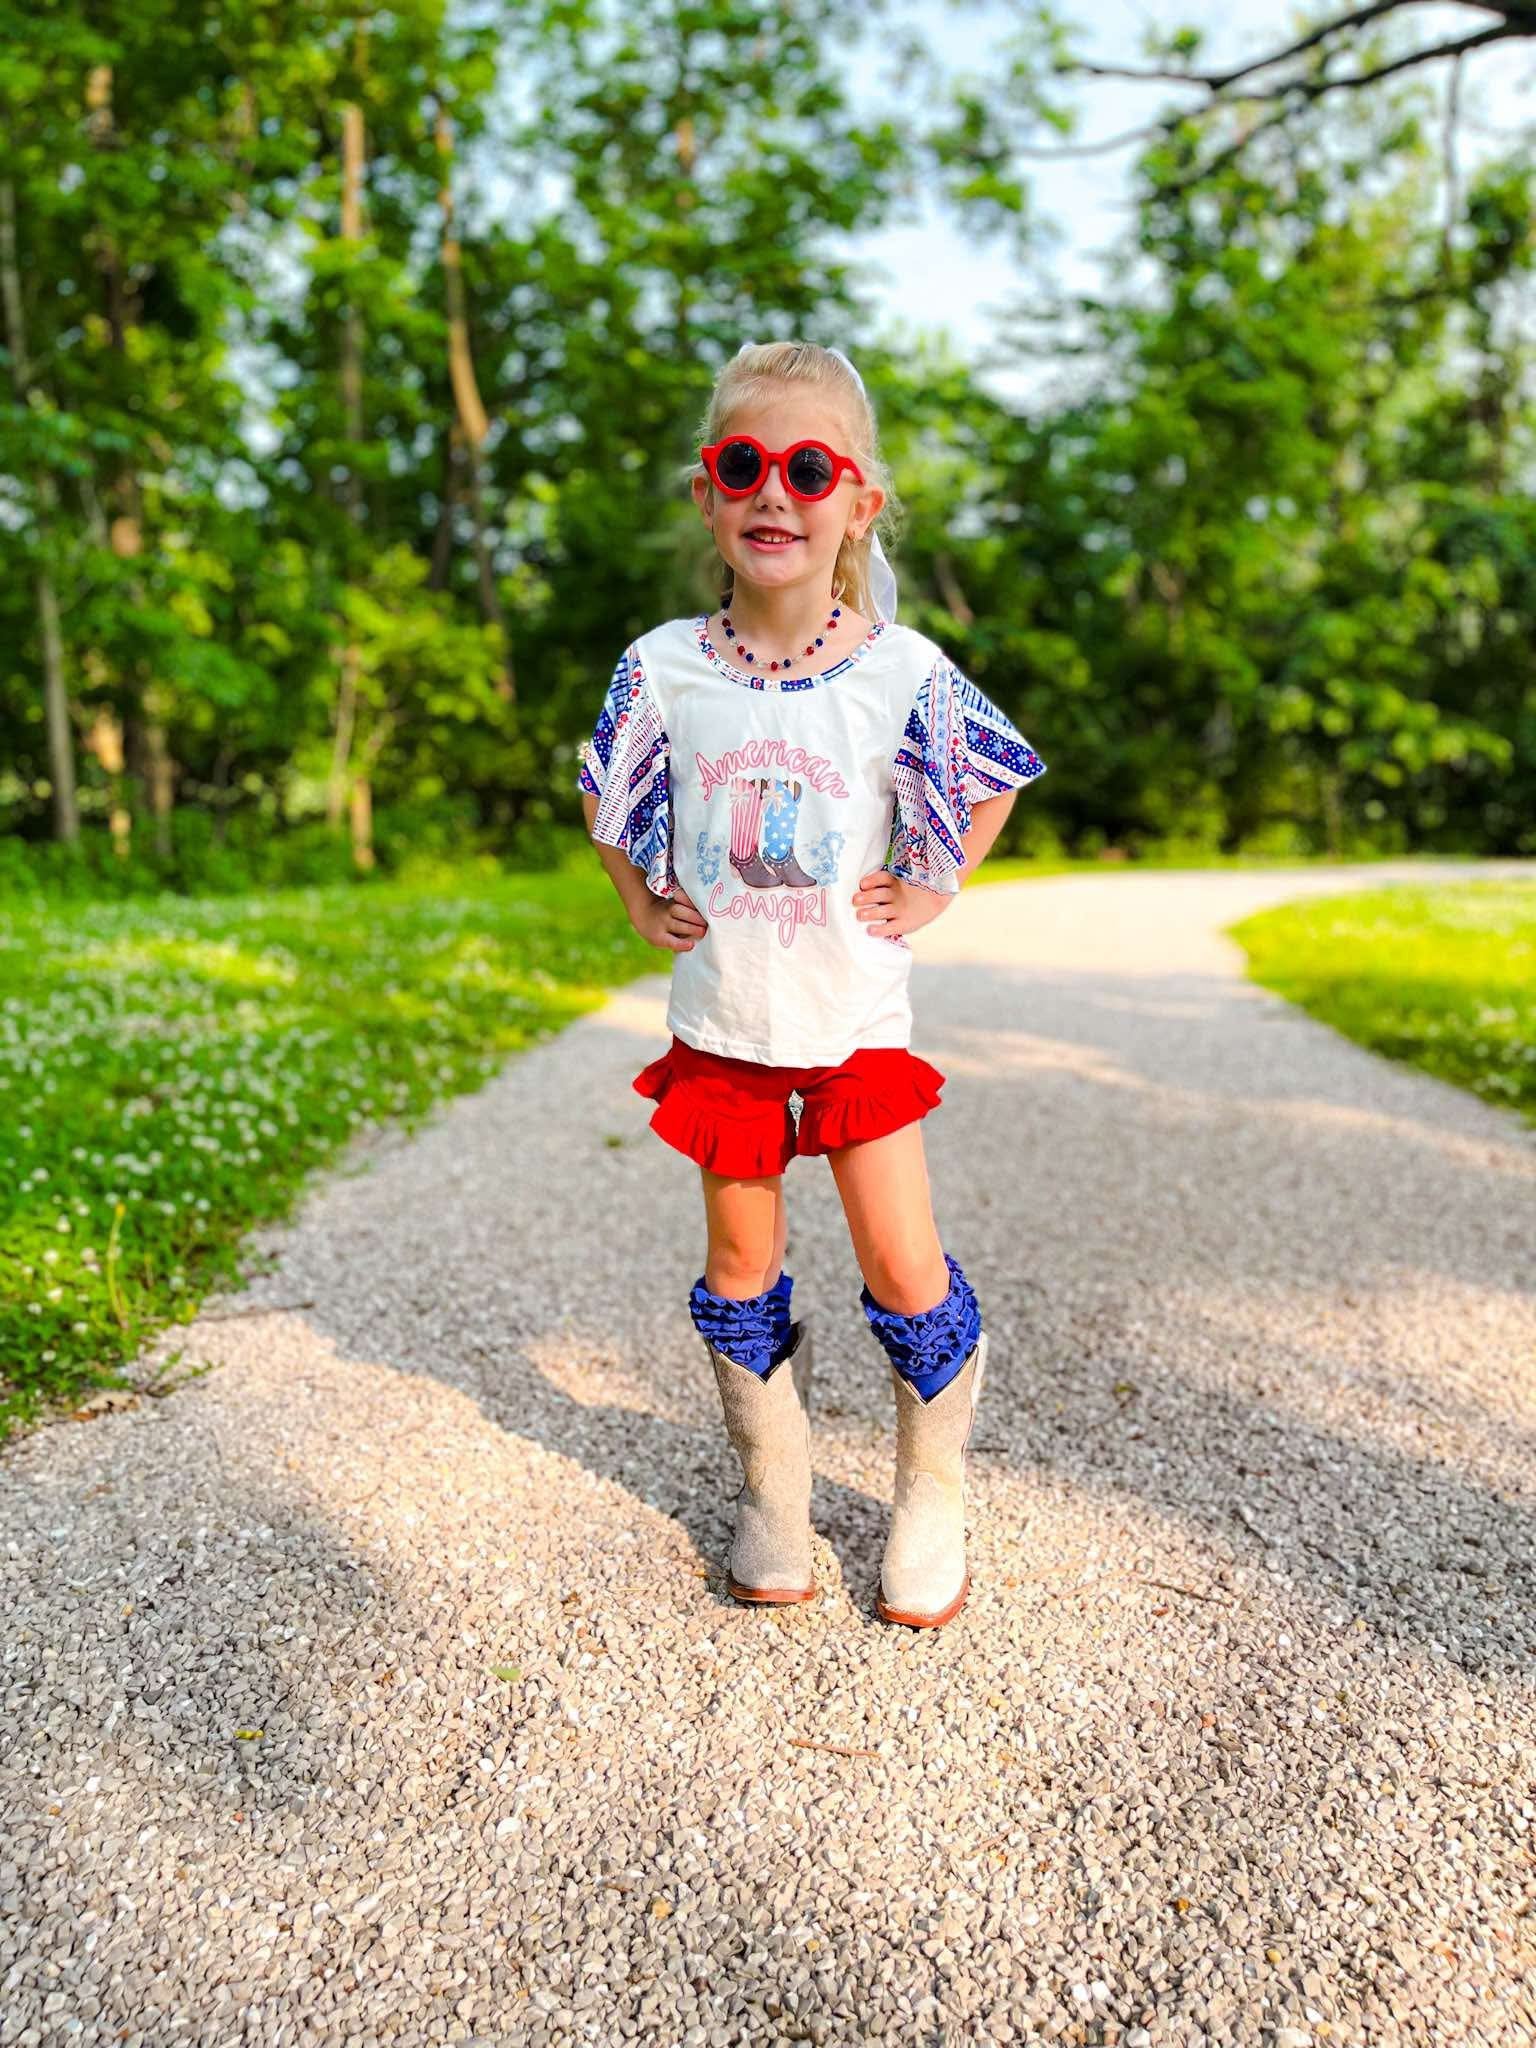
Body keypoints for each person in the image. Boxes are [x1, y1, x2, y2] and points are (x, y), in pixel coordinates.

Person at [576, 340, 1047, 1628]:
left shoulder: (900, 670)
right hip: (725, 1025)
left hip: (855, 1028)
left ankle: (931, 1492)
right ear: (707, 495)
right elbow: (609, 791)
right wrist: (639, 899)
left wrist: (934, 886)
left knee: (902, 1262)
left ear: (859, 501)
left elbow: (991, 773)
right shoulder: (664, 664)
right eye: (743, 466)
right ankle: (774, 1490)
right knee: (740, 1262)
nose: (773, 493)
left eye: (808, 469)